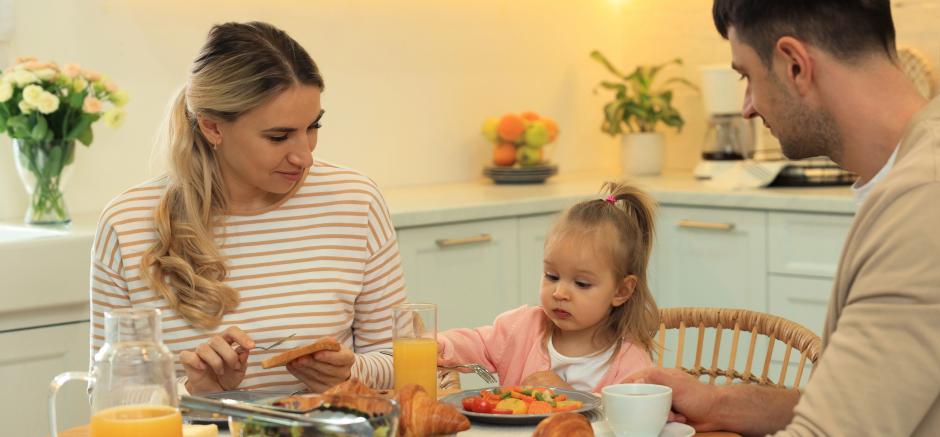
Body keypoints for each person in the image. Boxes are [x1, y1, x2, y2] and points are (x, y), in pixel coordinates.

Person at [626, 1, 940, 436]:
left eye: (747, 76)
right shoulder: (933, 167)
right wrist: (723, 403)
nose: (747, 106)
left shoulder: (937, 200)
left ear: (794, 65)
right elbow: (871, 400)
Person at [89, 22, 406, 395]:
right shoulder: (127, 224)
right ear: (213, 128)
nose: (304, 155)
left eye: (313, 127)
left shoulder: (355, 201)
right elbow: (107, 398)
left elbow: (399, 359)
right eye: (278, 136)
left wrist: (352, 374)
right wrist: (195, 391)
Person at [436, 182, 660, 393]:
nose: (559, 293)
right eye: (551, 276)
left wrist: (571, 397)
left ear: (621, 291)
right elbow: (478, 344)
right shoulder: (523, 328)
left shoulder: (632, 364)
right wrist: (438, 345)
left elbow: (636, 421)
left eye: (581, 283)